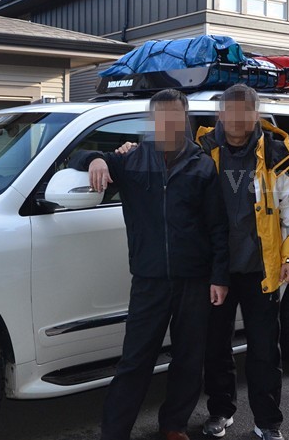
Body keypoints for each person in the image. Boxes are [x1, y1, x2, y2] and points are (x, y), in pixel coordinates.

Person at [70, 88, 230, 440]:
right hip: (149, 279)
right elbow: (74, 156)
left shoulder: (203, 165)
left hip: (195, 280)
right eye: (161, 116)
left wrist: (219, 277)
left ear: (184, 118)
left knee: (189, 359)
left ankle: (174, 426)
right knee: (135, 360)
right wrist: (95, 159)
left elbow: (218, 227)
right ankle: (115, 432)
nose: (167, 123)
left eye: (174, 116)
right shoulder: (131, 159)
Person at [196, 84, 289, 440]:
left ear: (255, 114)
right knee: (216, 347)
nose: (237, 118)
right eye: (230, 110)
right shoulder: (201, 149)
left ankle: (268, 422)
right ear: (219, 114)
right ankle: (220, 411)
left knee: (264, 351)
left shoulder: (275, 151)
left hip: (262, 271)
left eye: (245, 111)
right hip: (216, 271)